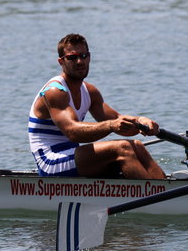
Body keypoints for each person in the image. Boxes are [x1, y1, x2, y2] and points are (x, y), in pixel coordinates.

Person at [28, 33, 165, 179]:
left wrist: (141, 122)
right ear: (61, 62)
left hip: (72, 156)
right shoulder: (55, 91)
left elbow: (119, 120)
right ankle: (156, 198)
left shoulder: (90, 91)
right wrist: (111, 125)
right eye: (72, 57)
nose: (80, 61)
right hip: (51, 162)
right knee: (122, 148)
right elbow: (72, 132)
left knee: (137, 145)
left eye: (84, 55)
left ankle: (166, 192)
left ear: (89, 57)